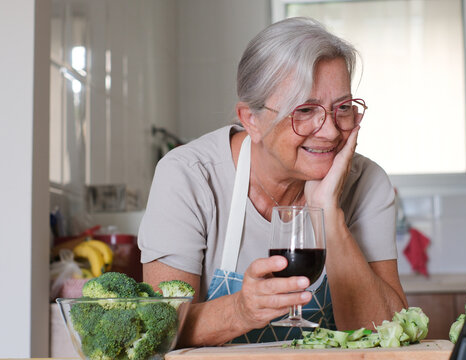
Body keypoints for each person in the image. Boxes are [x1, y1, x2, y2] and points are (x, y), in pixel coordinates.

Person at [138, 17, 407, 347]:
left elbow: (391, 335)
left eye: (344, 107)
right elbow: (156, 330)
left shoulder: (366, 183)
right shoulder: (189, 176)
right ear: (252, 120)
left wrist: (327, 212)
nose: (332, 131)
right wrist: (241, 310)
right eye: (306, 110)